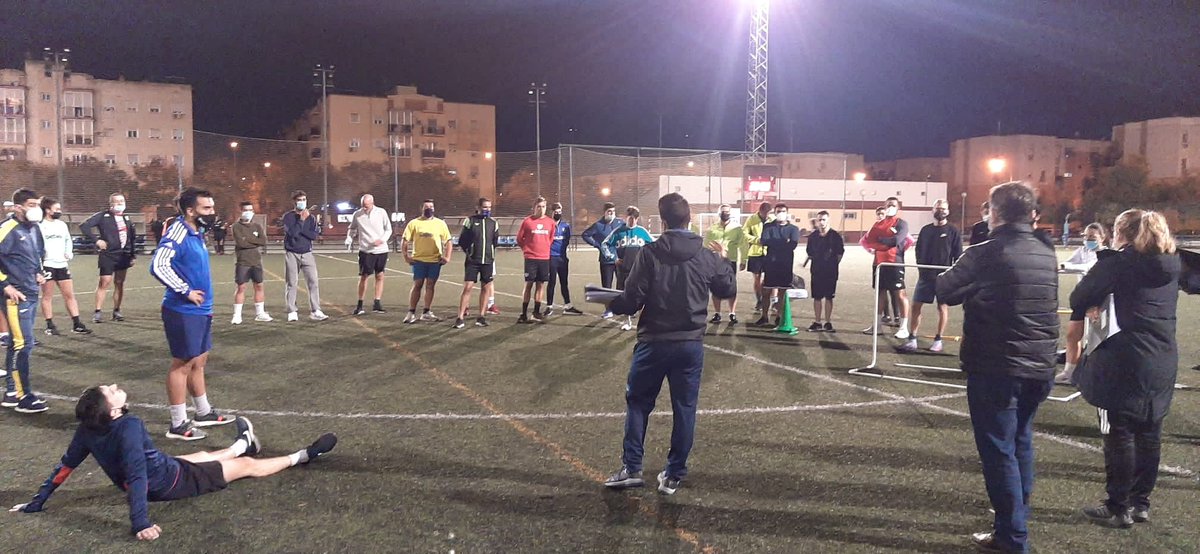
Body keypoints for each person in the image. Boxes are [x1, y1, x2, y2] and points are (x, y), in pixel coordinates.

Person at [9, 384, 337, 541]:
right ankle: (303, 455)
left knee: (204, 456)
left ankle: (242, 444)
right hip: (169, 483)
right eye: (110, 391)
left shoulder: (88, 430)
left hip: (162, 470)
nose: (114, 387)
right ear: (112, 411)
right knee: (246, 469)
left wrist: (38, 503)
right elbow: (138, 476)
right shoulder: (130, 426)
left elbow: (65, 467)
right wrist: (140, 523)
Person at [936, 181, 1058, 553]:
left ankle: (1012, 536)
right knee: (1020, 441)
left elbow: (944, 289)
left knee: (999, 450)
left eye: (988, 208)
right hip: (1039, 364)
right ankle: (1015, 517)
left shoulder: (985, 251)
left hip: (997, 366)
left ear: (996, 211)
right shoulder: (1045, 250)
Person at [603, 193, 736, 496]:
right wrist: (723, 259)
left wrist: (612, 302)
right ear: (689, 219)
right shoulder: (705, 255)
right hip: (689, 344)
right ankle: (674, 474)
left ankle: (632, 468)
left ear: (662, 221)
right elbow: (727, 288)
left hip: (653, 342)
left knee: (638, 404)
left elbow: (632, 299)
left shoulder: (650, 253)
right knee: (684, 408)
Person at [1070, 210, 1179, 529]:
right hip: (1163, 357)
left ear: (1120, 233)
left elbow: (1079, 295)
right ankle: (1140, 503)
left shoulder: (1118, 263)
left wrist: (1097, 300)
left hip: (1125, 357)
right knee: (1150, 431)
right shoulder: (1172, 263)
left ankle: (1118, 507)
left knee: (1120, 432)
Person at [149, 188, 235, 440]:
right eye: (206, 208)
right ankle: (177, 424)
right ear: (190, 211)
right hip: (182, 310)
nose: (212, 212)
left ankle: (203, 412)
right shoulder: (178, 229)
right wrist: (184, 290)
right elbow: (158, 264)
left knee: (199, 362)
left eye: (212, 207)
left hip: (201, 309)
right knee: (182, 364)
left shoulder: (197, 231)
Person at [0, 189, 50, 413]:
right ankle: (23, 397)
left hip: (31, 292)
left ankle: (11, 393)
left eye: (37, 204)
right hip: (16, 296)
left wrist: (39, 271)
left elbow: (38, 254)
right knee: (23, 345)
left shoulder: (34, 228)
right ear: (18, 207)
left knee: (16, 343)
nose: (35, 208)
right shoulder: (7, 229)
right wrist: (5, 285)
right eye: (31, 204)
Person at [900, 199, 961, 352]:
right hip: (925, 277)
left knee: (942, 307)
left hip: (944, 277)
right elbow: (918, 250)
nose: (940, 210)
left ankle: (938, 340)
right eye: (937, 208)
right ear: (933, 210)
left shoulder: (953, 231)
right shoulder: (926, 230)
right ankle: (912, 338)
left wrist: (951, 274)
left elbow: (958, 255)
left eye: (943, 208)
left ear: (948, 211)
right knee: (916, 306)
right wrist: (922, 269)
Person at [1054, 222, 1109, 384]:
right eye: (1086, 237)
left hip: (1100, 301)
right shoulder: (1082, 251)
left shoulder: (1106, 255)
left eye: (1092, 237)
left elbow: (1090, 267)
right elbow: (1067, 264)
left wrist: (1070, 266)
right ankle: (1069, 373)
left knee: (1097, 338)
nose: (1088, 240)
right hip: (1083, 298)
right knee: (1073, 335)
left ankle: (1096, 375)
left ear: (1102, 238)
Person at [37, 197, 91, 336]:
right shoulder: (39, 226)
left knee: (69, 295)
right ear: (48, 210)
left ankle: (77, 323)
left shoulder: (61, 225)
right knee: (47, 296)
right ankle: (50, 325)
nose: (59, 211)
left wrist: (68, 253)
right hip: (47, 265)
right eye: (57, 209)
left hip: (62, 264)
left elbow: (68, 240)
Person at [80, 192, 138, 323]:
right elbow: (84, 226)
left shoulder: (127, 218)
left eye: (121, 201)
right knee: (104, 282)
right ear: (110, 203)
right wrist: (96, 240)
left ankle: (117, 310)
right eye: (116, 202)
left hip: (124, 255)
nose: (119, 204)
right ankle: (98, 311)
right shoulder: (102, 216)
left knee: (119, 283)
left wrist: (132, 254)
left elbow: (132, 238)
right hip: (108, 255)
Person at [863, 196, 911, 339]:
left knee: (900, 295)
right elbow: (870, 241)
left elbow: (897, 240)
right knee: (880, 295)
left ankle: (903, 327)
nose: (890, 206)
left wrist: (882, 241)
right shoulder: (878, 224)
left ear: (898, 208)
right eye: (888, 204)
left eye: (893, 204)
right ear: (884, 206)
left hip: (895, 263)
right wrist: (885, 243)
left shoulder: (901, 224)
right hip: (879, 264)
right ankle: (877, 326)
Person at [401, 199, 452, 323]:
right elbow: (405, 240)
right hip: (419, 260)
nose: (429, 208)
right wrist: (406, 256)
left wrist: (447, 257)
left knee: (430, 286)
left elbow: (448, 241)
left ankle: (426, 312)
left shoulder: (440, 224)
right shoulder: (414, 223)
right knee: (417, 285)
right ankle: (411, 312)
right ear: (422, 209)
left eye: (431, 206)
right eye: (427, 207)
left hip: (435, 261)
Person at [603, 206, 654, 331]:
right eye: (629, 218)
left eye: (633, 219)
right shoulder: (618, 231)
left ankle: (643, 318)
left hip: (640, 270)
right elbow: (605, 244)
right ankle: (628, 320)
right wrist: (613, 257)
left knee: (643, 293)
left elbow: (654, 244)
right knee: (624, 294)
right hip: (623, 270)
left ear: (637, 219)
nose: (630, 221)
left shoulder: (642, 232)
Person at [281, 191, 328, 322]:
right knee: (291, 283)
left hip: (307, 253)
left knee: (313, 282)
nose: (302, 202)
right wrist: (301, 220)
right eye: (299, 200)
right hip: (292, 253)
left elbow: (314, 235)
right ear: (294, 202)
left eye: (304, 199)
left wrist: (303, 227)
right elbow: (292, 234)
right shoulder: (288, 217)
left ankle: (316, 310)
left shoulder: (311, 218)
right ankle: (292, 311)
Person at [454, 198, 500, 329]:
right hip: (473, 261)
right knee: (467, 287)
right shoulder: (470, 221)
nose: (487, 209)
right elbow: (463, 240)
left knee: (485, 288)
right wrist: (470, 252)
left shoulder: (493, 223)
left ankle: (481, 316)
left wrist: (490, 253)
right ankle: (460, 317)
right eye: (485, 207)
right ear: (478, 207)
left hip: (488, 261)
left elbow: (495, 242)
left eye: (489, 207)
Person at [347, 194, 392, 316]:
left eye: (367, 206)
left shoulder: (381, 212)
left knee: (380, 275)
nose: (365, 208)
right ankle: (360, 305)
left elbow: (389, 229)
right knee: (364, 276)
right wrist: (349, 238)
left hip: (381, 250)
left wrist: (382, 240)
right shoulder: (357, 214)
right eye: (363, 206)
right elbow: (352, 228)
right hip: (366, 251)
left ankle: (377, 303)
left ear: (372, 203)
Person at [755, 204, 800, 327]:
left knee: (782, 292)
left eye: (783, 211)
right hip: (770, 264)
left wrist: (775, 243)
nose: (781, 213)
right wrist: (783, 242)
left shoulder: (793, 229)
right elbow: (764, 241)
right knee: (766, 291)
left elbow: (793, 245)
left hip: (785, 264)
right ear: (774, 213)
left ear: (787, 212)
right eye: (778, 211)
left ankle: (779, 316)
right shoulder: (768, 226)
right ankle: (764, 316)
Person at [229, 201, 272, 325]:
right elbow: (241, 243)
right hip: (243, 261)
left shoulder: (257, 226)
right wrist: (254, 240)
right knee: (241, 287)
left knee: (259, 286)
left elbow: (263, 241)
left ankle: (260, 313)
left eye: (250, 210)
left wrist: (247, 239)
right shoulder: (236, 226)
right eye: (245, 210)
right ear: (240, 211)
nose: (248, 212)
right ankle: (237, 315)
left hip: (256, 261)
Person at [516, 197, 555, 324]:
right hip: (531, 258)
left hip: (544, 258)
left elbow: (550, 238)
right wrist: (527, 249)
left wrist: (544, 249)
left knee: (540, 284)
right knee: (529, 284)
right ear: (534, 207)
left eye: (543, 206)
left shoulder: (550, 222)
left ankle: (536, 313)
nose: (541, 209)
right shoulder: (527, 221)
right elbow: (519, 239)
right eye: (539, 206)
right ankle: (523, 314)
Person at [704, 203, 745, 324]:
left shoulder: (737, 229)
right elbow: (706, 245)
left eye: (727, 212)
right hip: (715, 262)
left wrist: (744, 260)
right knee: (715, 287)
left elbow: (743, 245)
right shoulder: (712, 229)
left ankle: (732, 313)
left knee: (731, 288)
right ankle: (717, 313)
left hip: (730, 261)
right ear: (719, 213)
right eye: (723, 212)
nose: (725, 214)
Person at [581, 202, 623, 317]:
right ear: (604, 212)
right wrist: (597, 245)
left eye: (613, 211)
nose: (612, 214)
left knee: (622, 284)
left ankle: (621, 307)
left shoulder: (620, 223)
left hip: (620, 260)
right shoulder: (598, 225)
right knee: (606, 286)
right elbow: (585, 235)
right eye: (609, 212)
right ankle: (608, 309)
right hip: (606, 261)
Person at [804, 210, 844, 332]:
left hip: (830, 271)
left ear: (828, 220)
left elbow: (839, 254)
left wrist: (831, 264)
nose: (821, 222)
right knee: (817, 297)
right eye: (819, 219)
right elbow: (809, 252)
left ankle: (828, 322)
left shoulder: (835, 236)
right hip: (816, 270)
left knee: (829, 297)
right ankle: (817, 321)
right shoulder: (813, 237)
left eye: (824, 219)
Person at [860, 206, 897, 324]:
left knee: (894, 291)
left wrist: (899, 252)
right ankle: (885, 315)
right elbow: (864, 241)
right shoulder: (875, 227)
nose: (880, 215)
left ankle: (897, 316)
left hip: (891, 262)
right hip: (877, 263)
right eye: (878, 214)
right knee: (881, 290)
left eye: (882, 213)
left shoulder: (893, 227)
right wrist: (871, 250)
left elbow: (908, 240)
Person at [545, 202, 583, 316]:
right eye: (556, 212)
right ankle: (549, 306)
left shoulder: (565, 226)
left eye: (560, 212)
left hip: (562, 258)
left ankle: (568, 306)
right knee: (551, 282)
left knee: (564, 283)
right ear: (551, 212)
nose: (558, 214)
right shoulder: (547, 224)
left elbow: (566, 241)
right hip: (551, 257)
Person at [742, 201, 773, 313]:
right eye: (764, 213)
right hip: (755, 253)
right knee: (757, 278)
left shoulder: (773, 219)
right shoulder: (752, 219)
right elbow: (744, 234)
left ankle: (773, 301)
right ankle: (759, 300)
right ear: (760, 211)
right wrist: (756, 240)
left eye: (768, 213)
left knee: (771, 279)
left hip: (769, 253)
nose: (766, 215)